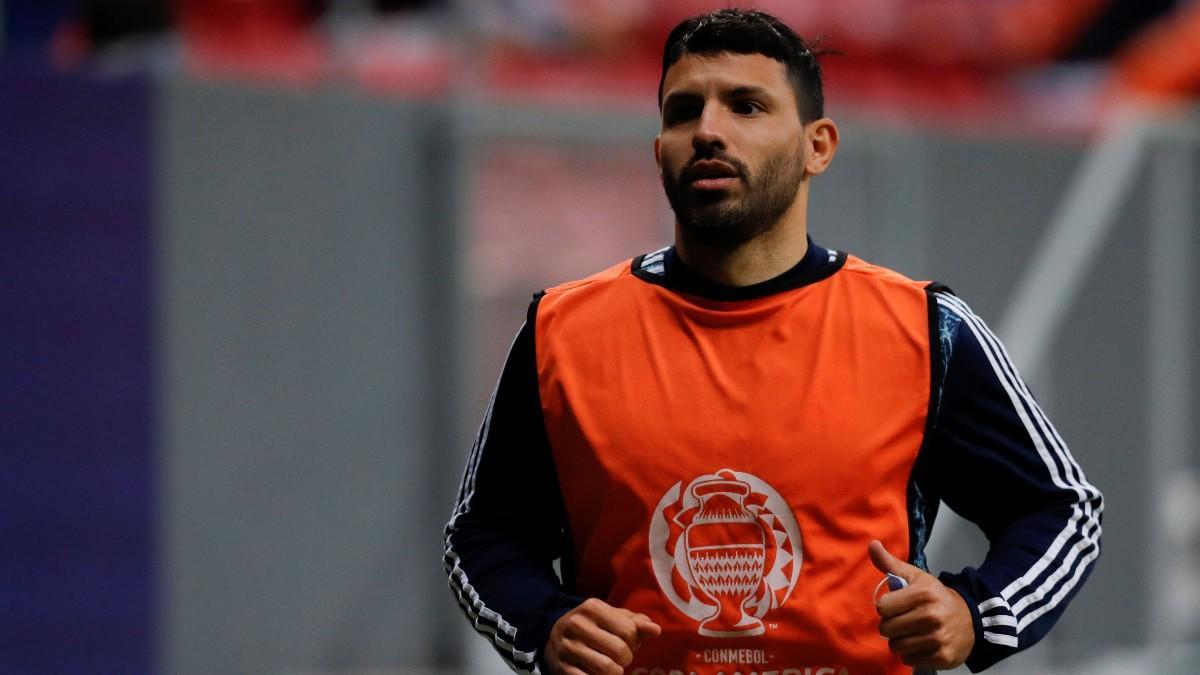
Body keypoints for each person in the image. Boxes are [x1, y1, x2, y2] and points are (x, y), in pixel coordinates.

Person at [443, 9, 1103, 675]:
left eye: (747, 106)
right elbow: (483, 534)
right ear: (658, 149)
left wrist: (975, 610)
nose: (707, 130)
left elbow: (1061, 508)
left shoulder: (925, 328)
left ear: (818, 146)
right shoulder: (565, 330)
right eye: (683, 111)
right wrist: (545, 623)